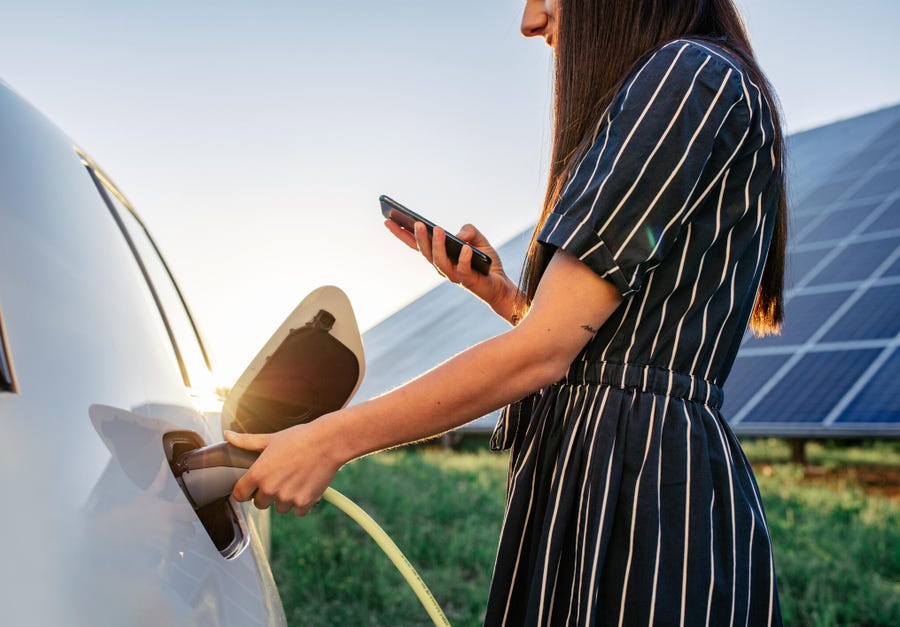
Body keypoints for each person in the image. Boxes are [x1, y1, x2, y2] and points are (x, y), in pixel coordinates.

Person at [225, 0, 787, 624]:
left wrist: (329, 439)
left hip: (638, 490)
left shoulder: (686, 77)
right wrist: (509, 302)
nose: (530, 19)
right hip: (626, 474)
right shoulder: (701, 78)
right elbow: (605, 343)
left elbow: (548, 352)